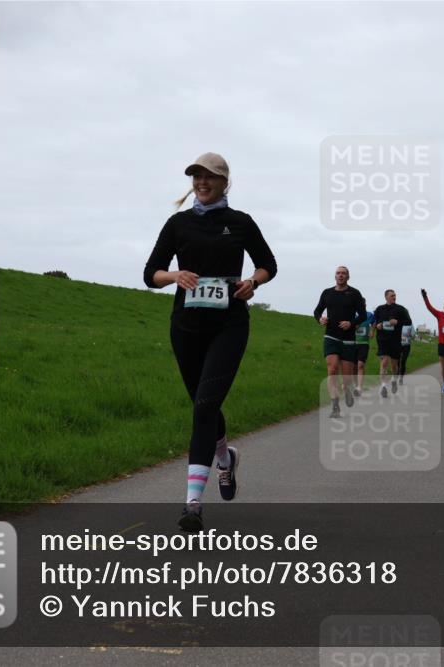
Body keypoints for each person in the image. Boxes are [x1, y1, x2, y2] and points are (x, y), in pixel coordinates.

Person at [144, 152, 277, 533]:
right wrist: (175, 276)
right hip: (185, 327)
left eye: (210, 177)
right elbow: (149, 273)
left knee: (204, 407)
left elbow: (268, 263)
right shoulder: (178, 223)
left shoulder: (240, 223)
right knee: (204, 406)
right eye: (197, 177)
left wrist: (254, 281)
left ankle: (192, 504)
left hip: (229, 325)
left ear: (225, 182)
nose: (202, 183)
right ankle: (225, 457)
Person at [314, 266, 367, 418]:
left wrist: (351, 323)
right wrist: (320, 319)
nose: (341, 275)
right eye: (338, 273)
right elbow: (317, 311)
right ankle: (335, 406)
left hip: (348, 339)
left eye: (344, 273)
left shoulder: (355, 294)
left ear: (348, 277)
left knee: (346, 378)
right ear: (335, 276)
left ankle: (347, 389)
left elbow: (363, 315)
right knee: (332, 369)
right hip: (330, 336)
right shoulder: (327, 293)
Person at [373, 289, 412, 398]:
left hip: (395, 340)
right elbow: (374, 321)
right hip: (383, 339)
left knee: (394, 364)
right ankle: (383, 386)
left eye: (395, 295)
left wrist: (398, 322)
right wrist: (377, 326)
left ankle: (394, 379)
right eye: (392, 295)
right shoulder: (379, 309)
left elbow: (409, 322)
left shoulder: (400, 309)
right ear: (386, 297)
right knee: (384, 362)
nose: (394, 297)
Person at [353, 310, 374, 396]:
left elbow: (374, 322)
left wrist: (372, 331)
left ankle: (359, 388)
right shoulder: (352, 314)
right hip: (353, 343)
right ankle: (356, 385)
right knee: (354, 367)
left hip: (364, 343)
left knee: (360, 365)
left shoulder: (369, 315)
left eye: (363, 305)